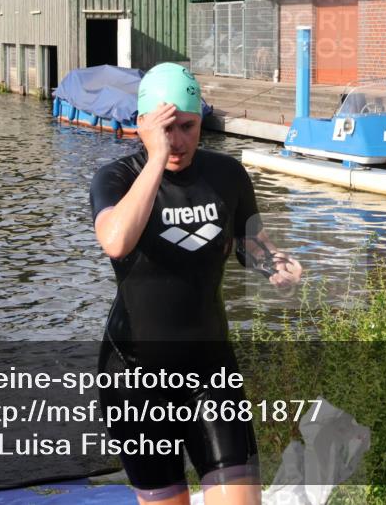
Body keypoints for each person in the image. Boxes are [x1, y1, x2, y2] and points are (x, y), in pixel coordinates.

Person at [90, 63, 302, 505]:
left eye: (187, 126)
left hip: (210, 370)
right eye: (165, 128)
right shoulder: (116, 178)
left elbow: (250, 243)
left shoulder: (227, 175)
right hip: (134, 378)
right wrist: (154, 159)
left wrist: (275, 263)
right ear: (142, 124)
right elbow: (115, 240)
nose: (177, 141)